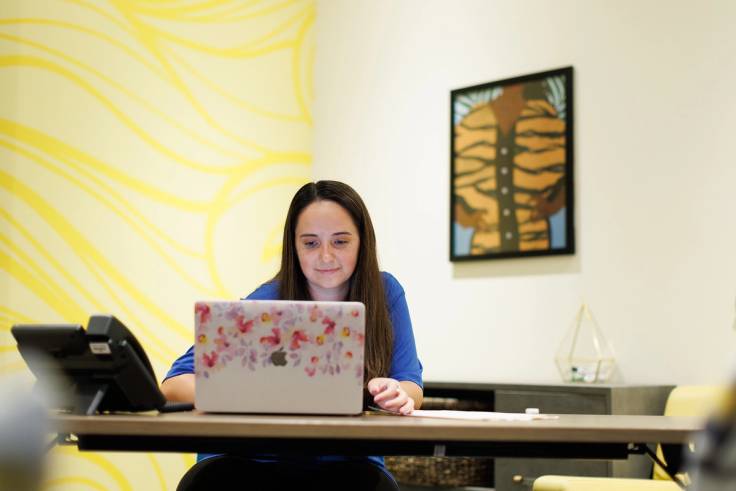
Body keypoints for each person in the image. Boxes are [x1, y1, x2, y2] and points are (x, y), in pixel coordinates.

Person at [161, 180, 423, 491]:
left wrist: (395, 393)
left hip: (347, 464)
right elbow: (174, 385)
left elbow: (412, 388)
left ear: (362, 242)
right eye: (310, 243)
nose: (325, 256)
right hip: (248, 462)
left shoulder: (385, 293)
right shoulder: (268, 299)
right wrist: (240, 392)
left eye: (340, 242)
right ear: (294, 246)